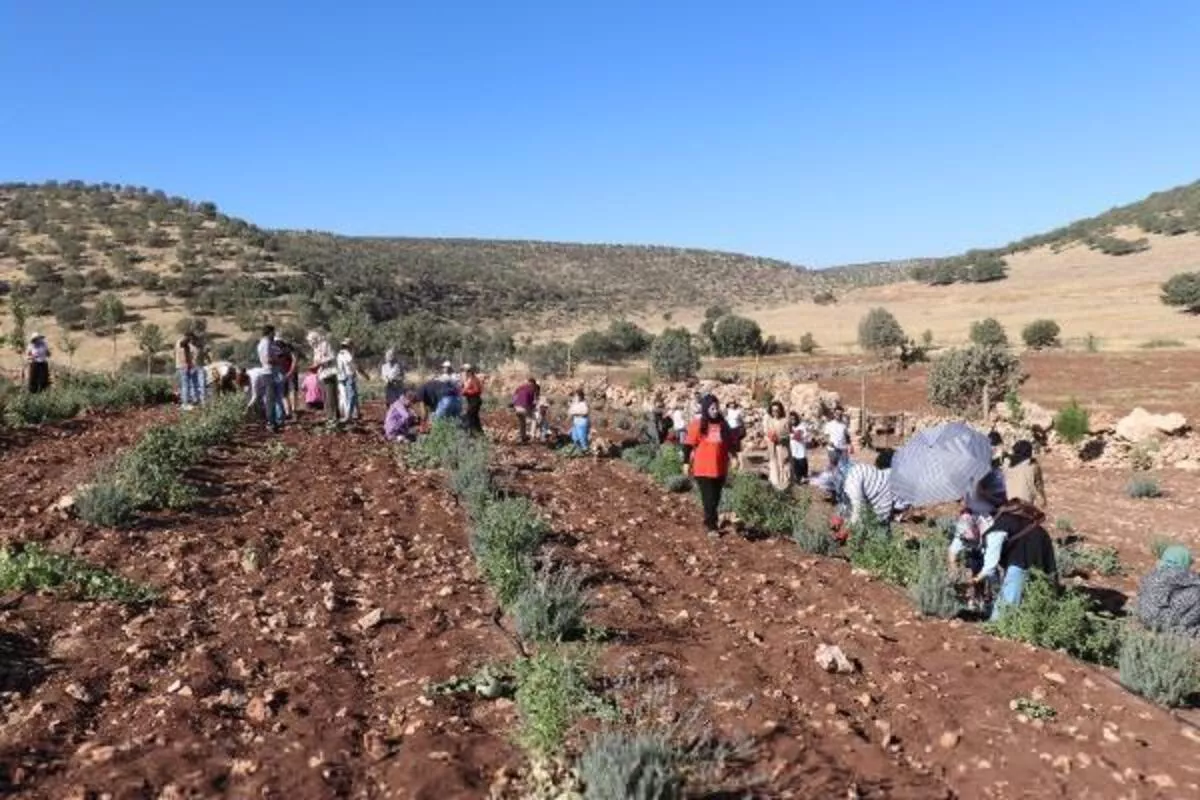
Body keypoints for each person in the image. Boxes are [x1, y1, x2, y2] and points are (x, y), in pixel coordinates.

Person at [974, 499, 1058, 621]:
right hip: (1039, 560)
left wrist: (976, 579)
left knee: (1006, 606)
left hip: (1020, 561)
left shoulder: (1000, 525)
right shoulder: (1031, 525)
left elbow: (991, 564)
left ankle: (998, 628)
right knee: (1034, 598)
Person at [686, 395, 734, 536]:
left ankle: (709, 520)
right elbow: (688, 445)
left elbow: (729, 443)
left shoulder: (723, 425)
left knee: (716, 497)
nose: (715, 410)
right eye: (712, 408)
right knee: (709, 498)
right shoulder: (698, 424)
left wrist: (735, 457)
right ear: (706, 408)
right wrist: (685, 462)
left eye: (716, 407)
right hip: (703, 469)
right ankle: (711, 526)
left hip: (720, 468)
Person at [1134, 546, 1200, 638]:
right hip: (1159, 619)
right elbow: (1197, 580)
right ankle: (1183, 629)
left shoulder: (1154, 573)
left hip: (1145, 618)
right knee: (1197, 593)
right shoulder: (1176, 572)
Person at [839, 450, 896, 527]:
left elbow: (858, 507)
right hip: (863, 487)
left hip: (853, 476)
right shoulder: (889, 478)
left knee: (874, 524)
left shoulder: (856, 480)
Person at [1004, 440, 1047, 508]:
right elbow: (1039, 485)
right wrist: (1043, 499)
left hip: (1008, 502)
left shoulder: (1006, 463)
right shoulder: (1033, 466)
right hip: (1025, 503)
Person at [308, 331, 339, 424]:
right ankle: (328, 416)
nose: (311, 343)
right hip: (321, 375)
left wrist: (320, 363)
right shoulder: (315, 349)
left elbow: (332, 357)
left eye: (312, 340)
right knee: (325, 396)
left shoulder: (325, 344)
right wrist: (314, 366)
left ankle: (333, 417)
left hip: (329, 373)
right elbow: (316, 361)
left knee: (331, 396)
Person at [257, 325, 282, 431]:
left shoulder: (262, 343)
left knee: (271, 398)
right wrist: (278, 360)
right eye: (273, 332)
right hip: (269, 372)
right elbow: (267, 359)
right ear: (270, 332)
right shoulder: (266, 343)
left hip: (268, 372)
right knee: (271, 399)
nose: (274, 334)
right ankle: (270, 422)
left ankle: (273, 421)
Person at [336, 339, 368, 422]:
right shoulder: (346, 353)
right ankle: (348, 415)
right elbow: (353, 364)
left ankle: (355, 413)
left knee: (347, 396)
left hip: (341, 377)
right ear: (349, 346)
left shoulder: (340, 354)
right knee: (351, 396)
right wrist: (364, 374)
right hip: (348, 376)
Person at [764, 401, 792, 491]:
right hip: (773, 448)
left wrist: (781, 439)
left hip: (782, 447)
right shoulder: (769, 421)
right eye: (773, 411)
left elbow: (789, 435)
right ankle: (775, 486)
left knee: (784, 465)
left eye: (777, 410)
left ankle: (785, 486)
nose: (775, 412)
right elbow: (767, 433)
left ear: (780, 410)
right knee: (774, 466)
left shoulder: (785, 421)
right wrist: (770, 437)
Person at [174, 331, 199, 409]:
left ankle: (186, 402)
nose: (191, 340)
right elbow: (183, 344)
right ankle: (185, 404)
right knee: (185, 385)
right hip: (184, 366)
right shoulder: (182, 342)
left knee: (185, 385)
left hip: (184, 366)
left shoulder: (182, 343)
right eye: (191, 338)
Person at [275, 338, 298, 419]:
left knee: (292, 390)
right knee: (284, 393)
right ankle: (288, 412)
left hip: (291, 372)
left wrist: (290, 372)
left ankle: (294, 410)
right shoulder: (274, 349)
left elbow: (294, 361)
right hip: (282, 372)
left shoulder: (290, 349)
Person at [512, 377, 540, 443]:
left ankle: (523, 437)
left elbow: (514, 397)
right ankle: (532, 435)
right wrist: (534, 407)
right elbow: (531, 403)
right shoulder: (532, 389)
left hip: (516, 407)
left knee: (522, 422)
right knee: (534, 418)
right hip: (523, 408)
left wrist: (514, 405)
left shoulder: (519, 387)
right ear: (533, 384)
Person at [461, 364, 484, 435]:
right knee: (474, 418)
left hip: (475, 401)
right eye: (464, 371)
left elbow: (477, 390)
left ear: (470, 371)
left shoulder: (473, 379)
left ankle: (471, 434)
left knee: (470, 417)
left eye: (466, 371)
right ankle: (480, 434)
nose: (464, 373)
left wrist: (466, 392)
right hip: (471, 401)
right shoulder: (468, 379)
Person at [788, 411, 811, 481]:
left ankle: (805, 476)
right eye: (791, 419)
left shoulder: (802, 426)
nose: (793, 421)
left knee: (802, 464)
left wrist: (800, 437)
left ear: (797, 419)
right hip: (793, 450)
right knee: (795, 465)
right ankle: (798, 478)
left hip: (801, 449)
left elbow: (807, 436)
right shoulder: (789, 428)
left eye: (794, 419)